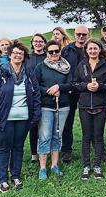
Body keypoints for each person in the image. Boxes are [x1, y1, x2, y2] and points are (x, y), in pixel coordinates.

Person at [0, 40, 41, 193]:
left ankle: (15, 176)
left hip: (23, 118)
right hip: (5, 118)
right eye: (15, 53)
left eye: (21, 53)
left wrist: (35, 115)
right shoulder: (1, 73)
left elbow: (36, 94)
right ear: (9, 55)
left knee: (18, 147)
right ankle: (2, 179)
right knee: (4, 148)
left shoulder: (29, 73)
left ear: (24, 56)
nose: (18, 55)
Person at [73, 38, 106, 180]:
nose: (92, 51)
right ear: (86, 50)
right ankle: (86, 166)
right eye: (90, 49)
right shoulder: (81, 65)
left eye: (95, 48)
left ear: (99, 50)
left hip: (100, 106)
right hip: (84, 106)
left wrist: (100, 87)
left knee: (98, 136)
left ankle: (97, 165)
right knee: (86, 136)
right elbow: (75, 84)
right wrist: (85, 86)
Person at [35, 40, 71, 180]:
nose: (54, 53)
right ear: (47, 53)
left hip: (63, 106)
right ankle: (42, 167)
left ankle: (54, 165)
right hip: (46, 106)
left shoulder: (66, 66)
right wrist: (48, 91)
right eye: (51, 52)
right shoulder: (40, 67)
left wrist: (59, 87)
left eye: (57, 51)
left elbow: (71, 84)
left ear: (60, 51)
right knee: (45, 136)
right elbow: (35, 86)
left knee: (57, 135)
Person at [60, 24, 89, 163]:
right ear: (75, 34)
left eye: (84, 34)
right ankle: (66, 150)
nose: (81, 37)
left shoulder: (91, 48)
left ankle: (95, 148)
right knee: (67, 121)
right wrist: (67, 86)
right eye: (79, 34)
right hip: (71, 90)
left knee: (90, 121)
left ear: (87, 35)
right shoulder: (66, 50)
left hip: (87, 90)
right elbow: (61, 69)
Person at [26, 33, 47, 164]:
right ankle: (34, 153)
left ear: (44, 43)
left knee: (45, 125)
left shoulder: (48, 57)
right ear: (32, 43)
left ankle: (45, 151)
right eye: (36, 41)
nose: (38, 43)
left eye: (40, 41)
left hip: (45, 94)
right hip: (31, 95)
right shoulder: (27, 58)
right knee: (33, 125)